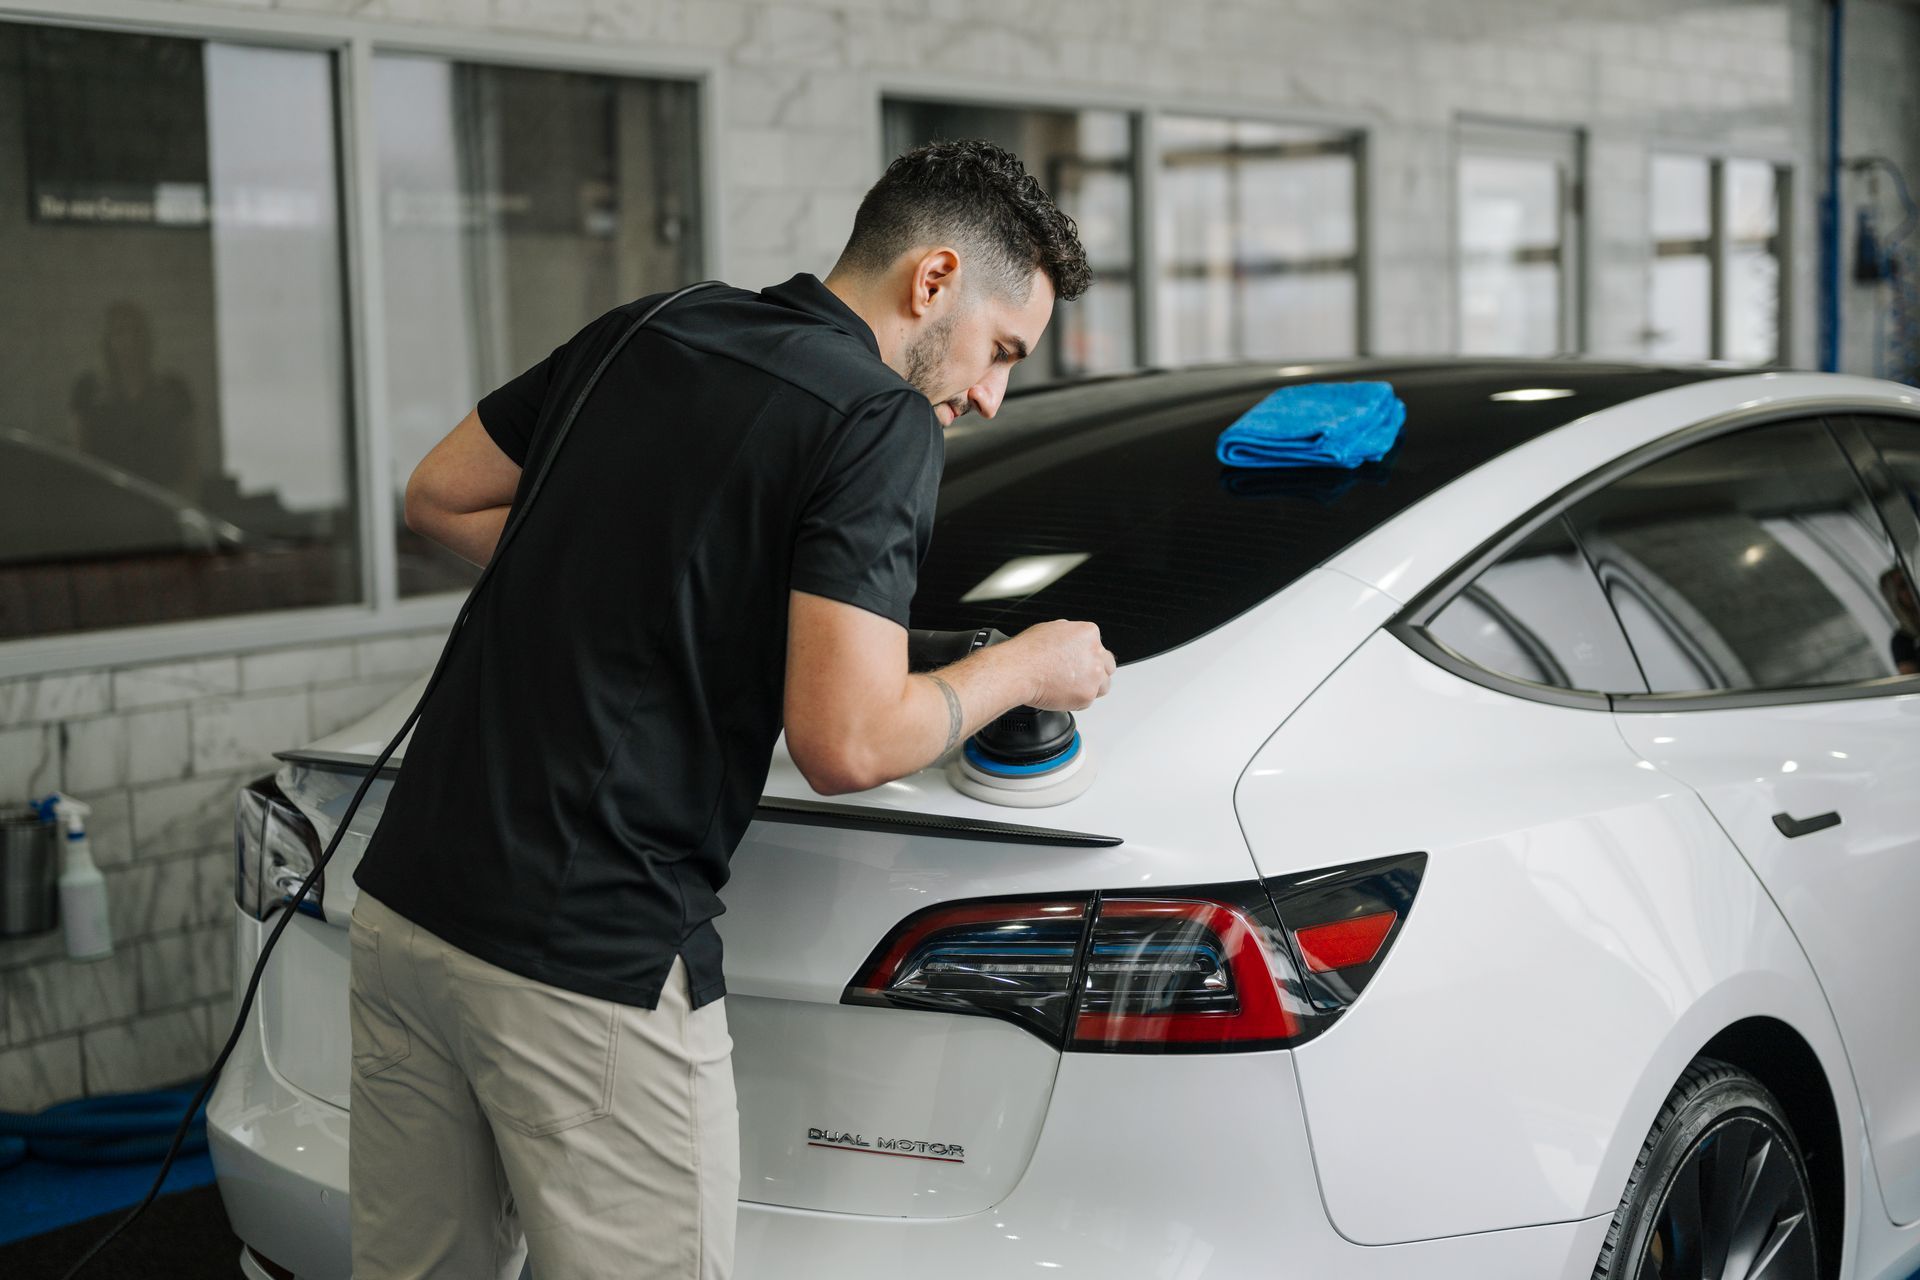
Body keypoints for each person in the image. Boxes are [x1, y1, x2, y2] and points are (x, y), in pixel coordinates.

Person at [345, 139, 1114, 1280]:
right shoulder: (877, 420)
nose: (992, 394)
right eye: (1003, 350)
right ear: (935, 278)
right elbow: (847, 739)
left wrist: (636, 589)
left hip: (408, 903)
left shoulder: (655, 324)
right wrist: (1029, 666)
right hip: (585, 956)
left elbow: (440, 494)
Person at [69, 301, 199, 498]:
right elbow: (79, 456)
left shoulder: (173, 390)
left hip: (162, 506)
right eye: (119, 332)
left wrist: (183, 503)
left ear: (147, 338)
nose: (129, 340)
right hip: (106, 505)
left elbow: (191, 457)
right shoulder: (88, 392)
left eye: (136, 331)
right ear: (108, 341)